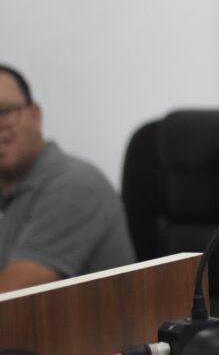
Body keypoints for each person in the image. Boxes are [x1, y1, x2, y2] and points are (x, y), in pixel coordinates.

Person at [0, 64, 136, 292]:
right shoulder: (9, 192)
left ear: (35, 115)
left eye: (5, 112)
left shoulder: (76, 187)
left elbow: (10, 297)